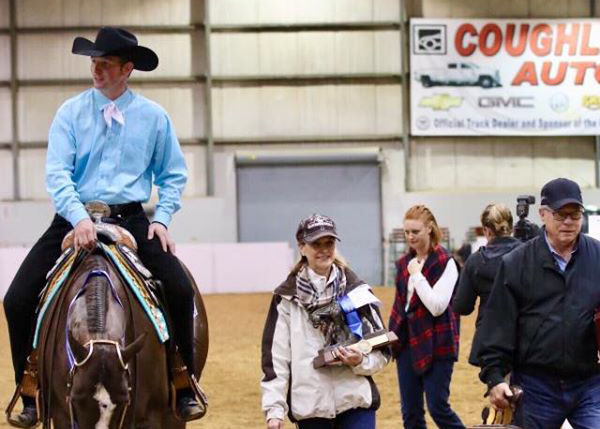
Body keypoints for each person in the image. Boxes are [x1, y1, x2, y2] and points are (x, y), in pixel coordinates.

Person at [3, 27, 202, 427]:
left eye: (106, 63)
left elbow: (173, 175)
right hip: (72, 216)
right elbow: (58, 173)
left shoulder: (153, 118)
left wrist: (161, 219)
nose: (96, 69)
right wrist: (78, 218)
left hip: (130, 216)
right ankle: (30, 385)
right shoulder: (70, 113)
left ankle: (182, 378)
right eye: (94, 62)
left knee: (179, 288)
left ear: (127, 69)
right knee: (17, 298)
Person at [478, 178, 600, 429]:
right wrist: (494, 377)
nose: (568, 221)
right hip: (536, 386)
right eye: (560, 214)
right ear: (543, 214)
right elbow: (497, 325)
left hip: (590, 382)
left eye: (574, 214)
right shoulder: (516, 263)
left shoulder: (598, 257)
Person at [261, 214, 389, 429]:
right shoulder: (285, 299)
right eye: (315, 243)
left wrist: (360, 361)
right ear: (302, 247)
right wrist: (274, 409)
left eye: (329, 243)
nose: (324, 249)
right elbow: (276, 358)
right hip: (310, 406)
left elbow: (382, 350)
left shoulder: (357, 291)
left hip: (355, 400)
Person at [388, 205, 465, 429]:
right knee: (410, 413)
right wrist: (391, 335)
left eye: (415, 231)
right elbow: (401, 304)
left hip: (438, 343)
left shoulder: (447, 263)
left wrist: (417, 275)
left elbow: (437, 306)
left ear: (429, 229)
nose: (410, 237)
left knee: (438, 407)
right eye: (407, 232)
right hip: (407, 342)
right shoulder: (403, 263)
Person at [453, 203, 521, 367]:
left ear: (487, 231)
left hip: (491, 341)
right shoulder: (528, 254)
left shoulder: (475, 262)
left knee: (499, 389)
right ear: (511, 227)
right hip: (524, 337)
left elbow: (463, 307)